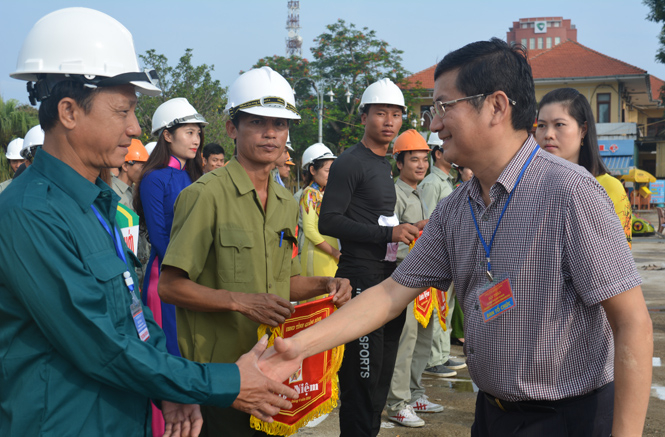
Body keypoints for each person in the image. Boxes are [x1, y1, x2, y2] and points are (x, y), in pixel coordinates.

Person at [259, 38, 653, 437]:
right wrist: (297, 347)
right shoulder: (455, 209)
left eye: (444, 107)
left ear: (496, 106)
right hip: (492, 414)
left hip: (570, 418)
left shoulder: (570, 193)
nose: (432, 123)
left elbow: (632, 322)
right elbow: (390, 294)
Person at [0, 8, 298, 437]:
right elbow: (100, 344)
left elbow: (134, 316)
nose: (136, 128)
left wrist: (172, 392)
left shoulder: (96, 204)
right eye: (123, 112)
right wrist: (222, 383)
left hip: (122, 415)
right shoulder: (31, 214)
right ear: (68, 111)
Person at [157, 66, 352, 437]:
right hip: (221, 376)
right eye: (258, 122)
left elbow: (285, 282)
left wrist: (326, 284)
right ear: (232, 128)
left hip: (274, 366)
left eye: (279, 125)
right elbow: (170, 287)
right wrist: (240, 301)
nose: (270, 133)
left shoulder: (284, 201)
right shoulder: (204, 195)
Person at [317, 78, 420, 437]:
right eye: (381, 113)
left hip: (388, 279)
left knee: (379, 382)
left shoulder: (384, 163)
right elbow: (328, 220)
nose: (389, 121)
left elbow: (377, 219)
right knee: (361, 383)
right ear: (364, 117)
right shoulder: (350, 162)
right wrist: (387, 234)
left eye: (396, 115)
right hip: (360, 278)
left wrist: (405, 227)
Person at [134, 97, 206, 359]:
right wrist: (184, 270)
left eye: (198, 133)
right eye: (189, 132)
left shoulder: (194, 176)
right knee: (169, 351)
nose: (196, 139)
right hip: (166, 274)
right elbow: (159, 235)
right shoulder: (154, 178)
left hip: (194, 274)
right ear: (167, 135)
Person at [384, 129, 443, 427]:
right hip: (404, 275)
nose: (420, 165)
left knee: (423, 337)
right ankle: (397, 402)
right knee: (404, 341)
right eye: (413, 160)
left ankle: (416, 391)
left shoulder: (421, 191)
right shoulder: (393, 194)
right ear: (399, 163)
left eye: (423, 160)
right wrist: (415, 228)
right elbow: (388, 240)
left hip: (425, 277)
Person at [535, 87, 632, 248]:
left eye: (559, 124)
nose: (548, 134)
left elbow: (617, 258)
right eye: (541, 125)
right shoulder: (530, 186)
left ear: (583, 130)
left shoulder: (608, 188)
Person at [420, 131, 466, 378]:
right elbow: (425, 225)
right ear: (438, 154)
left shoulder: (446, 181)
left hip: (450, 255)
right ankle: (433, 358)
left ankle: (441, 353)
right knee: (436, 309)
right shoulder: (431, 184)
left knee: (445, 309)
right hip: (438, 257)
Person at [299, 142, 339, 277]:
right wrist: (334, 252)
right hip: (317, 256)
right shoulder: (310, 193)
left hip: (331, 256)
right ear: (312, 170)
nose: (332, 175)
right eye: (327, 171)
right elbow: (310, 231)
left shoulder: (325, 194)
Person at [112, 138, 148, 210]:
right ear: (125, 166)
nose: (145, 171)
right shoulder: (112, 190)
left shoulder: (135, 191)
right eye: (142, 167)